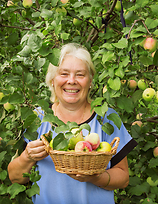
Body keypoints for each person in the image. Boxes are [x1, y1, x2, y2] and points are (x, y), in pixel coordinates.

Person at [8, 43, 137, 204]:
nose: (71, 81)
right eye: (64, 73)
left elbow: (123, 178)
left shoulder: (105, 118)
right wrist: (27, 157)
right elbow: (14, 177)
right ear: (52, 80)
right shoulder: (39, 117)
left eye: (80, 75)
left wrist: (96, 177)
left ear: (90, 81)